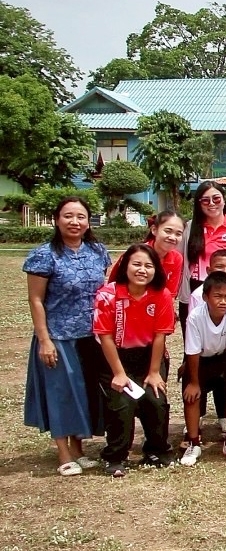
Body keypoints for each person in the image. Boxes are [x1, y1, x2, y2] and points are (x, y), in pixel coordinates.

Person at [24, 196, 111, 476]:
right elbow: (36, 300)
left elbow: (104, 291)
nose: (74, 222)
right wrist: (45, 339)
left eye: (81, 217)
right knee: (61, 393)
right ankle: (63, 454)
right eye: (68, 216)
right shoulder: (45, 254)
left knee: (84, 393)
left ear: (88, 222)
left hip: (92, 336)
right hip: (59, 336)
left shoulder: (97, 251)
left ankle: (78, 450)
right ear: (56, 219)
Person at [93, 244, 176, 477]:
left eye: (148, 265)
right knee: (122, 404)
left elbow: (160, 335)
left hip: (149, 357)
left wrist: (154, 371)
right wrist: (119, 373)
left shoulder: (162, 294)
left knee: (155, 400)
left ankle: (157, 450)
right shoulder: (108, 294)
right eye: (136, 264)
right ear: (125, 266)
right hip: (115, 360)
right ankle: (116, 456)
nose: (142, 270)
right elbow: (105, 336)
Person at [177, 270, 226, 466]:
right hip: (200, 360)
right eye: (217, 296)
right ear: (205, 297)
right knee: (191, 395)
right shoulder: (195, 317)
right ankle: (194, 443)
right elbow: (192, 352)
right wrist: (193, 382)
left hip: (225, 358)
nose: (223, 301)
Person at [178, 180, 226, 327]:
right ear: (199, 204)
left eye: (216, 198)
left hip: (225, 289)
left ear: (224, 200)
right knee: (194, 342)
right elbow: (179, 261)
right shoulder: (188, 228)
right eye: (205, 200)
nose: (211, 203)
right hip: (195, 287)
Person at [143, 211, 186, 299]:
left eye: (178, 234)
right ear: (154, 230)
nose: (172, 238)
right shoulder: (136, 254)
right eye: (168, 231)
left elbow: (170, 294)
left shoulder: (177, 258)